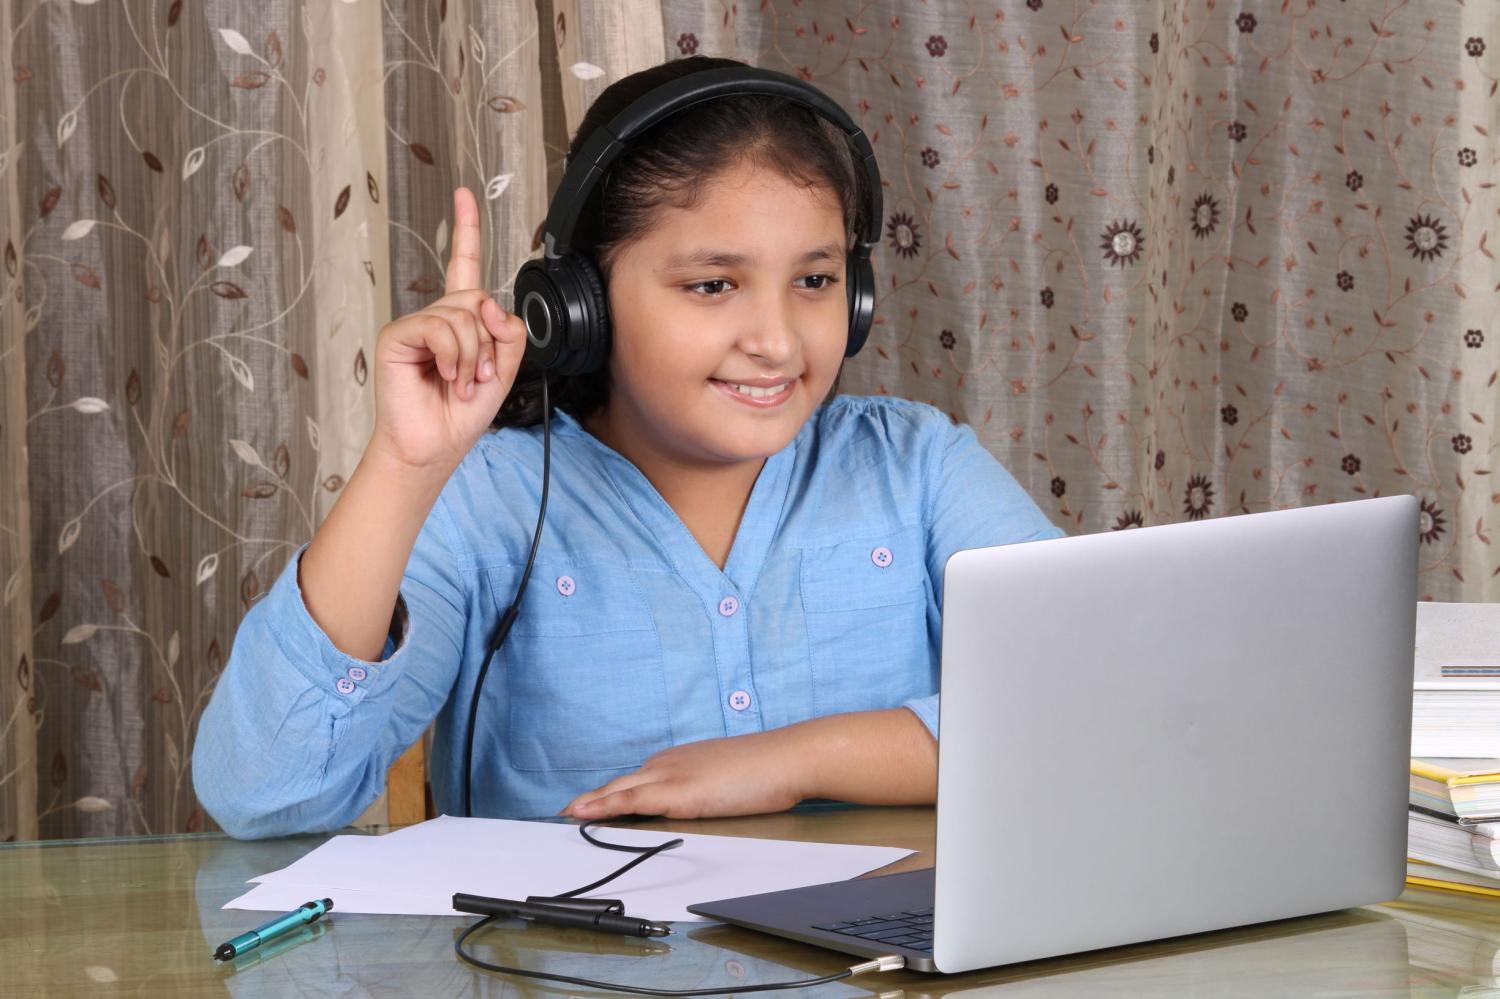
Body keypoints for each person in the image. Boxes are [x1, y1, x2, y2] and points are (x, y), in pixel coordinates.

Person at [192, 56, 1063, 839]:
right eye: (713, 284)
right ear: (579, 304)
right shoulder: (489, 500)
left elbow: (1096, 700)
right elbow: (267, 796)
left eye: (816, 280)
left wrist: (788, 762)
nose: (777, 339)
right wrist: (405, 466)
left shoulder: (918, 466)